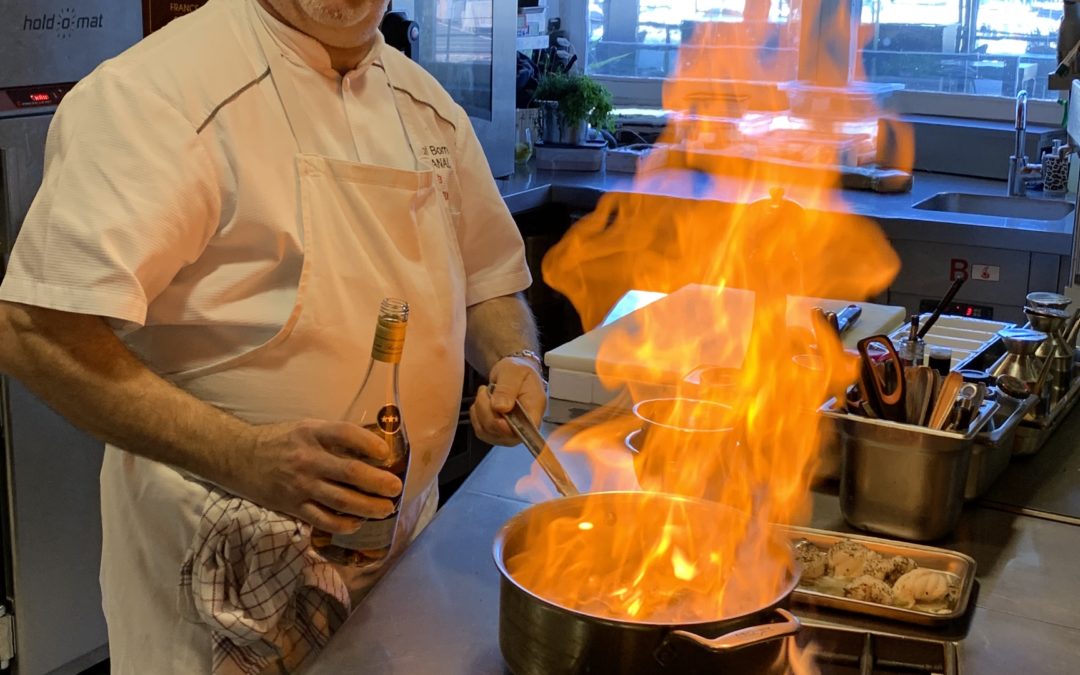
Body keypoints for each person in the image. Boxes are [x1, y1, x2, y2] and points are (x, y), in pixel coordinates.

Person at [0, 0, 546, 671]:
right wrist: (245, 454)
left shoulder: (425, 106)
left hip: (399, 554)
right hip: (222, 586)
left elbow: (490, 278)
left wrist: (515, 357)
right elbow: (36, 331)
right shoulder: (161, 93)